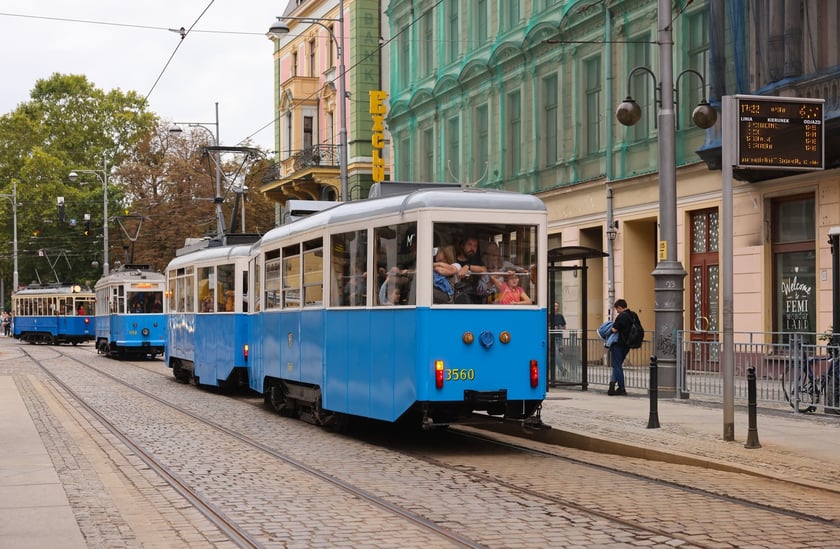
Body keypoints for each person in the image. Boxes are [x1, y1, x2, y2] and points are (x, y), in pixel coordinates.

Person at [608, 298, 634, 396]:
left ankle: (622, 387)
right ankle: (612, 384)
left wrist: (609, 330)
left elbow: (615, 329)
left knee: (617, 365)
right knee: (617, 365)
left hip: (618, 344)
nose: (617, 311)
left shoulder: (622, 316)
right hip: (628, 344)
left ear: (620, 307)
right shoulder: (633, 315)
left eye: (617, 309)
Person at [454, 235, 487, 303]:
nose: (472, 248)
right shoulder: (454, 260)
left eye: (475, 246)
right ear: (462, 246)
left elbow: (484, 270)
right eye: (469, 244)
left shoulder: (477, 261)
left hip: (476, 299)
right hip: (457, 299)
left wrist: (468, 267)